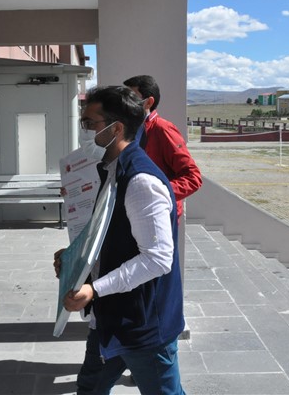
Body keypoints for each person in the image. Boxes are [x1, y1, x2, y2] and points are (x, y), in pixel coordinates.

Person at [55, 86, 186, 395]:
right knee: (90, 388)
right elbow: (109, 233)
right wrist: (74, 257)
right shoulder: (109, 170)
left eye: (89, 123)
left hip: (142, 325)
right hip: (110, 317)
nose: (84, 130)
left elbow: (157, 259)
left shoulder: (141, 181)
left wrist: (94, 289)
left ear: (116, 128)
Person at [123, 75, 202, 218]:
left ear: (148, 102)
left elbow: (193, 178)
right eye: (124, 99)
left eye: (132, 99)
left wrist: (157, 191)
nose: (125, 104)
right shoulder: (129, 129)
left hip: (160, 214)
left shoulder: (163, 129)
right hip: (136, 212)